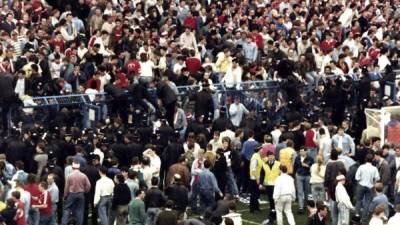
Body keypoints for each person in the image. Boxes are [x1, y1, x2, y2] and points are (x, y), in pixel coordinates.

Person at [61, 161, 91, 225]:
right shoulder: (83, 175)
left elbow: (66, 187)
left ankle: (64, 223)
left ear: (72, 167)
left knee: (67, 209)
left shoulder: (69, 176)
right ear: (79, 167)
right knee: (80, 210)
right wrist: (85, 191)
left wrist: (65, 195)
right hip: (81, 194)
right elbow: (89, 185)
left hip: (72, 194)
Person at [355, 153, 380, 220]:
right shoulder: (374, 168)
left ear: (366, 159)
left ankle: (357, 215)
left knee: (358, 201)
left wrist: (360, 182)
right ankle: (364, 217)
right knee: (367, 202)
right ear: (372, 160)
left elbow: (357, 177)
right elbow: (377, 178)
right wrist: (373, 182)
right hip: (370, 186)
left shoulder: (361, 167)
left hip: (361, 185)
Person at [293, 147, 314, 214]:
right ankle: (301, 207)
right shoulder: (297, 158)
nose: (301, 152)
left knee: (307, 192)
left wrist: (307, 166)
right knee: (300, 192)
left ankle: (306, 205)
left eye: (302, 151)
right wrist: (294, 175)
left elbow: (313, 168)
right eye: (300, 151)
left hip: (307, 176)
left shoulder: (310, 158)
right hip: (299, 176)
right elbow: (295, 167)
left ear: (306, 151)